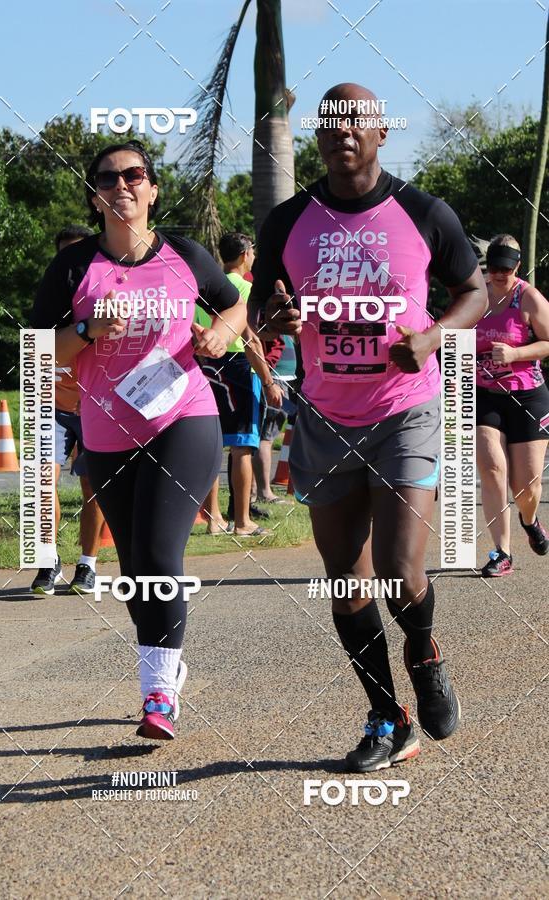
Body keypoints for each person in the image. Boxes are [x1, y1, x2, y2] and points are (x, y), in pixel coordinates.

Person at [249, 83, 488, 773]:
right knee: (346, 582)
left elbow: (471, 291)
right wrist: (276, 322)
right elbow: (265, 306)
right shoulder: (289, 220)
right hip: (324, 418)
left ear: (382, 133)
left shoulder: (422, 212)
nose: (341, 130)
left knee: (396, 568)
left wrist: (436, 335)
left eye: (357, 120)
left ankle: (424, 651)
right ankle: (388, 717)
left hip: (404, 410)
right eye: (329, 121)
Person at [31, 140, 246, 739]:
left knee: (157, 554)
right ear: (96, 196)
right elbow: (36, 352)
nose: (122, 184)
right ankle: (166, 665)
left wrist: (217, 337)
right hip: (106, 431)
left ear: (152, 189)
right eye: (108, 178)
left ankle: (157, 693)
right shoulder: (74, 269)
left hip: (185, 417)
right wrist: (85, 328)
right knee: (133, 565)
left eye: (134, 175)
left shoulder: (185, 255)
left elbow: (233, 310)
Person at [31, 224, 106, 596]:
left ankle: (87, 565)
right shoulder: (47, 300)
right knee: (42, 483)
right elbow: (34, 351)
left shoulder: (106, 300)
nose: (71, 265)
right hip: (52, 405)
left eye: (78, 255)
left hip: (95, 406)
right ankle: (47, 561)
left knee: (93, 485)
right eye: (64, 256)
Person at [197, 232, 283, 536]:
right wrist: (269, 380)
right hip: (239, 369)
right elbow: (251, 339)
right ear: (246, 254)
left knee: (212, 447)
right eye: (253, 252)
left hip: (205, 368)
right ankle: (243, 521)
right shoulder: (246, 289)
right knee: (242, 446)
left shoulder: (205, 288)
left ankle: (214, 518)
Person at [475, 234, 549, 576]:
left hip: (527, 396)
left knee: (526, 486)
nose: (500, 274)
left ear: (518, 266)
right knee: (491, 469)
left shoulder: (529, 297)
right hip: (484, 393)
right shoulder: (475, 296)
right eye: (494, 268)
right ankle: (501, 553)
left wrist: (517, 353)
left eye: (507, 268)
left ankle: (530, 520)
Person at [252, 334, 297, 504]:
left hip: (282, 378)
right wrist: (269, 378)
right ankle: (264, 492)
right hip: (274, 379)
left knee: (267, 433)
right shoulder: (263, 312)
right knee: (266, 436)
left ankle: (256, 490)